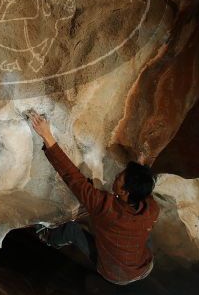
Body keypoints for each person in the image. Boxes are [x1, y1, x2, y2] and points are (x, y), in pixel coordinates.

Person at [27, 110, 159, 285]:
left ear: (126, 192)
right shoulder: (152, 209)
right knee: (137, 235)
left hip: (113, 273)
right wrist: (140, 166)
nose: (117, 176)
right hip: (144, 267)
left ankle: (48, 237)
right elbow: (144, 187)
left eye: (119, 178)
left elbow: (72, 177)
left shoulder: (105, 208)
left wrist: (47, 135)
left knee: (73, 230)